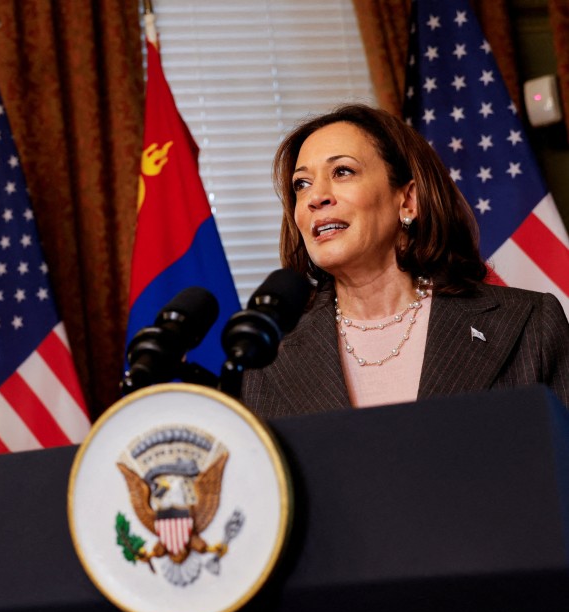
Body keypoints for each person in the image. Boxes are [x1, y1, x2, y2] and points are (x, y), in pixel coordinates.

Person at [241, 104, 569, 420]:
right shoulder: (268, 353)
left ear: (409, 200)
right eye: (302, 184)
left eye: (342, 172)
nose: (316, 198)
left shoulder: (530, 324)